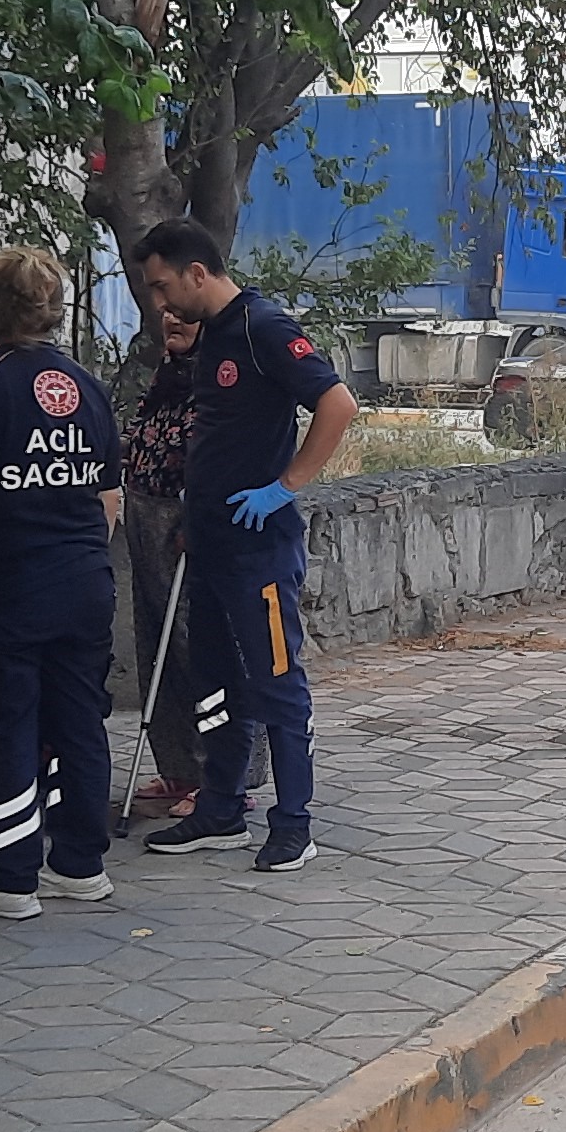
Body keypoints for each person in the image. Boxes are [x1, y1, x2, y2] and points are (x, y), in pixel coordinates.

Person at [129, 219, 357, 875]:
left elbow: (337, 404)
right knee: (215, 680)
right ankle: (222, 805)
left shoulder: (263, 328)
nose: (161, 302)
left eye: (165, 285)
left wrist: (286, 486)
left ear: (197, 272)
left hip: (260, 548)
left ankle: (294, 823)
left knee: (277, 682)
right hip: (209, 544)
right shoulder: (212, 336)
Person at [0, 248, 121, 921]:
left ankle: (10, 878)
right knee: (79, 720)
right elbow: (108, 499)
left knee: (9, 724)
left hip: (7, 584)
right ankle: (80, 863)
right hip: (84, 580)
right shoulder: (87, 387)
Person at [114, 307, 209, 813]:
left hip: (183, 520)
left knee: (196, 647)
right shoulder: (166, 374)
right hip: (144, 512)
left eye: (184, 320)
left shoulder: (217, 376)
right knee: (157, 646)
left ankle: (218, 774)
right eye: (167, 317)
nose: (172, 323)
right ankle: (176, 767)